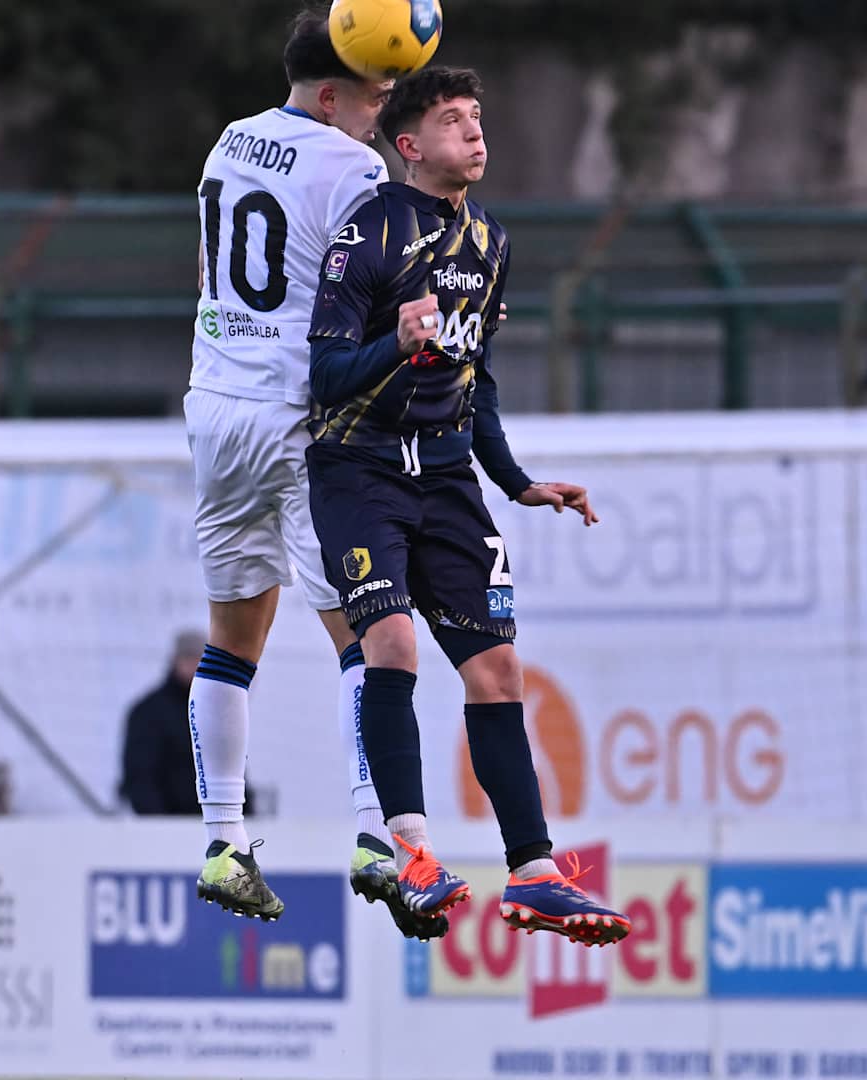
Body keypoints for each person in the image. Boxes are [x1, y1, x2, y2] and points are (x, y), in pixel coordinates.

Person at [304, 66, 631, 946]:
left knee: (498, 671)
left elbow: (475, 380)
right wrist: (394, 343)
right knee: (393, 643)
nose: (476, 132)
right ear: (409, 145)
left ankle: (534, 874)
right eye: (454, 120)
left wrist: (517, 480)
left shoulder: (490, 241)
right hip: (359, 471)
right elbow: (324, 375)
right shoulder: (367, 233)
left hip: (448, 480)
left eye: (478, 117)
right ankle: (410, 852)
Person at [183, 9, 445, 940]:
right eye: (374, 93)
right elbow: (371, 303)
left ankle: (223, 841)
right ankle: (378, 837)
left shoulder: (231, 139)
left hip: (217, 405)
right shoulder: (354, 169)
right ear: (331, 95)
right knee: (368, 638)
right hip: (297, 417)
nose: (383, 109)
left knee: (230, 644)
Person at [119, 631, 207, 816]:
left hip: (213, 821)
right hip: (167, 823)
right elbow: (140, 776)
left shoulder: (214, 711)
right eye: (189, 658)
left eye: (200, 660)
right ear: (175, 661)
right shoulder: (148, 712)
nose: (195, 665)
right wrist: (159, 823)